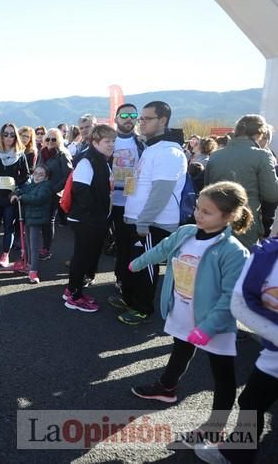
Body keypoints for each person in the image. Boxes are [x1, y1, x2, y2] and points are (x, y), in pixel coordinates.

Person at [129, 181, 251, 446]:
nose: (198, 214)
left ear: (228, 216)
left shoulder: (233, 252)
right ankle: (167, 387)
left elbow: (230, 297)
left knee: (223, 374)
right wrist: (138, 263)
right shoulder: (186, 232)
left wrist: (207, 329)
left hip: (214, 325)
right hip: (182, 311)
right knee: (180, 348)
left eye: (207, 212)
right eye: (198, 208)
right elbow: (162, 250)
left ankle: (214, 427)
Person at [196, 237, 278, 464]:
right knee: (252, 401)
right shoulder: (266, 256)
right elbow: (239, 304)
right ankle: (237, 453)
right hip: (274, 356)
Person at [113, 101, 188, 325]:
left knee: (146, 264)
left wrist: (143, 222)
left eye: (146, 118)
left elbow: (161, 192)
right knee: (131, 261)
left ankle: (142, 307)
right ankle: (129, 298)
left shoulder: (170, 152)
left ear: (163, 121)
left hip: (151, 223)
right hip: (136, 218)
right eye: (141, 118)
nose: (140, 122)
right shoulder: (152, 148)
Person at [205, 114, 278, 249]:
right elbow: (272, 194)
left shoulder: (215, 156)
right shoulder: (262, 155)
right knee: (242, 265)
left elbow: (206, 190)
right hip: (244, 223)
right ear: (259, 133)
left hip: (214, 221)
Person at [63, 125, 116, 312]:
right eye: (107, 141)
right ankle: (74, 295)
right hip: (86, 219)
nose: (111, 144)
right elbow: (81, 192)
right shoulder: (88, 161)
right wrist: (96, 216)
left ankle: (73, 290)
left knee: (84, 256)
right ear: (95, 142)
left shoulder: (102, 161)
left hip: (93, 219)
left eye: (113, 141)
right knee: (81, 257)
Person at [0, 123, 29, 267]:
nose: (9, 137)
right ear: (1, 136)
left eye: (12, 134)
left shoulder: (20, 154)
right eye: (6, 134)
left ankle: (5, 255)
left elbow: (26, 175)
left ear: (16, 137)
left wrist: (16, 184)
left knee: (9, 226)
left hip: (10, 198)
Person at [110, 104, 145, 287]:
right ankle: (87, 274)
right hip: (108, 200)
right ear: (116, 118)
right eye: (124, 115)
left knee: (125, 243)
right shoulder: (109, 140)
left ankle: (121, 278)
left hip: (130, 202)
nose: (128, 118)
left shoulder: (141, 143)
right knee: (97, 239)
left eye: (133, 115)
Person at [11, 166, 51, 283]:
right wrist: (16, 193)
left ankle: (34, 270)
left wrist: (21, 197)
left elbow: (37, 199)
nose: (37, 176)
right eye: (36, 173)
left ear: (46, 177)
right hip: (29, 218)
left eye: (41, 175)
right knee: (28, 242)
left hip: (36, 219)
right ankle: (28, 264)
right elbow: (24, 190)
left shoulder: (45, 187)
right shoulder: (33, 184)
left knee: (33, 245)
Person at [38, 127, 73, 260]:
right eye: (48, 139)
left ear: (59, 140)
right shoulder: (42, 152)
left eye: (54, 139)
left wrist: (54, 189)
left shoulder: (63, 154)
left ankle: (46, 249)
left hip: (53, 193)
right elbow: (37, 169)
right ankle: (41, 247)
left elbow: (68, 175)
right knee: (42, 220)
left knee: (48, 220)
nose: (50, 141)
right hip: (41, 191)